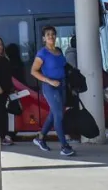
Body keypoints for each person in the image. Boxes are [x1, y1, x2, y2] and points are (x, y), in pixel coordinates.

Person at [31, 26, 75, 157]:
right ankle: (64, 146)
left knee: (53, 113)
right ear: (44, 38)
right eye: (48, 34)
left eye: (53, 34)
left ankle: (40, 138)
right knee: (58, 115)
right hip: (50, 87)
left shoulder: (59, 51)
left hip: (61, 85)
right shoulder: (42, 53)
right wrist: (49, 81)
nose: (51, 36)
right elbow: (33, 71)